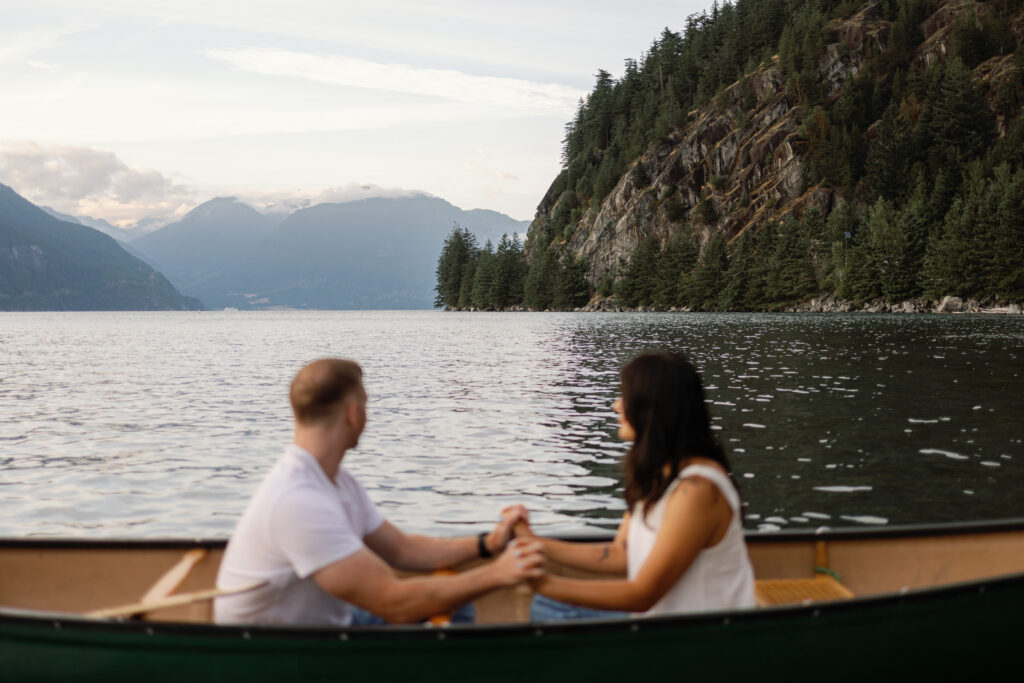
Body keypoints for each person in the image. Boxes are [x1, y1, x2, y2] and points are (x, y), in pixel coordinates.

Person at [215, 358, 543, 626]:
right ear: (353, 414)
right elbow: (394, 603)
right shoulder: (297, 500)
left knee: (460, 606)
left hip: (323, 629)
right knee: (453, 607)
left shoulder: (334, 481)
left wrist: (488, 544)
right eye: (366, 406)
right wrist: (498, 574)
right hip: (278, 656)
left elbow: (402, 549)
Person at [516, 350, 755, 618]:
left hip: (698, 636)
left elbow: (643, 595)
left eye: (624, 396)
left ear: (650, 408)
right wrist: (534, 543)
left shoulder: (696, 490)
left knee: (542, 606)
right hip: (656, 626)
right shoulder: (660, 475)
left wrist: (544, 584)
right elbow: (621, 553)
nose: (616, 405)